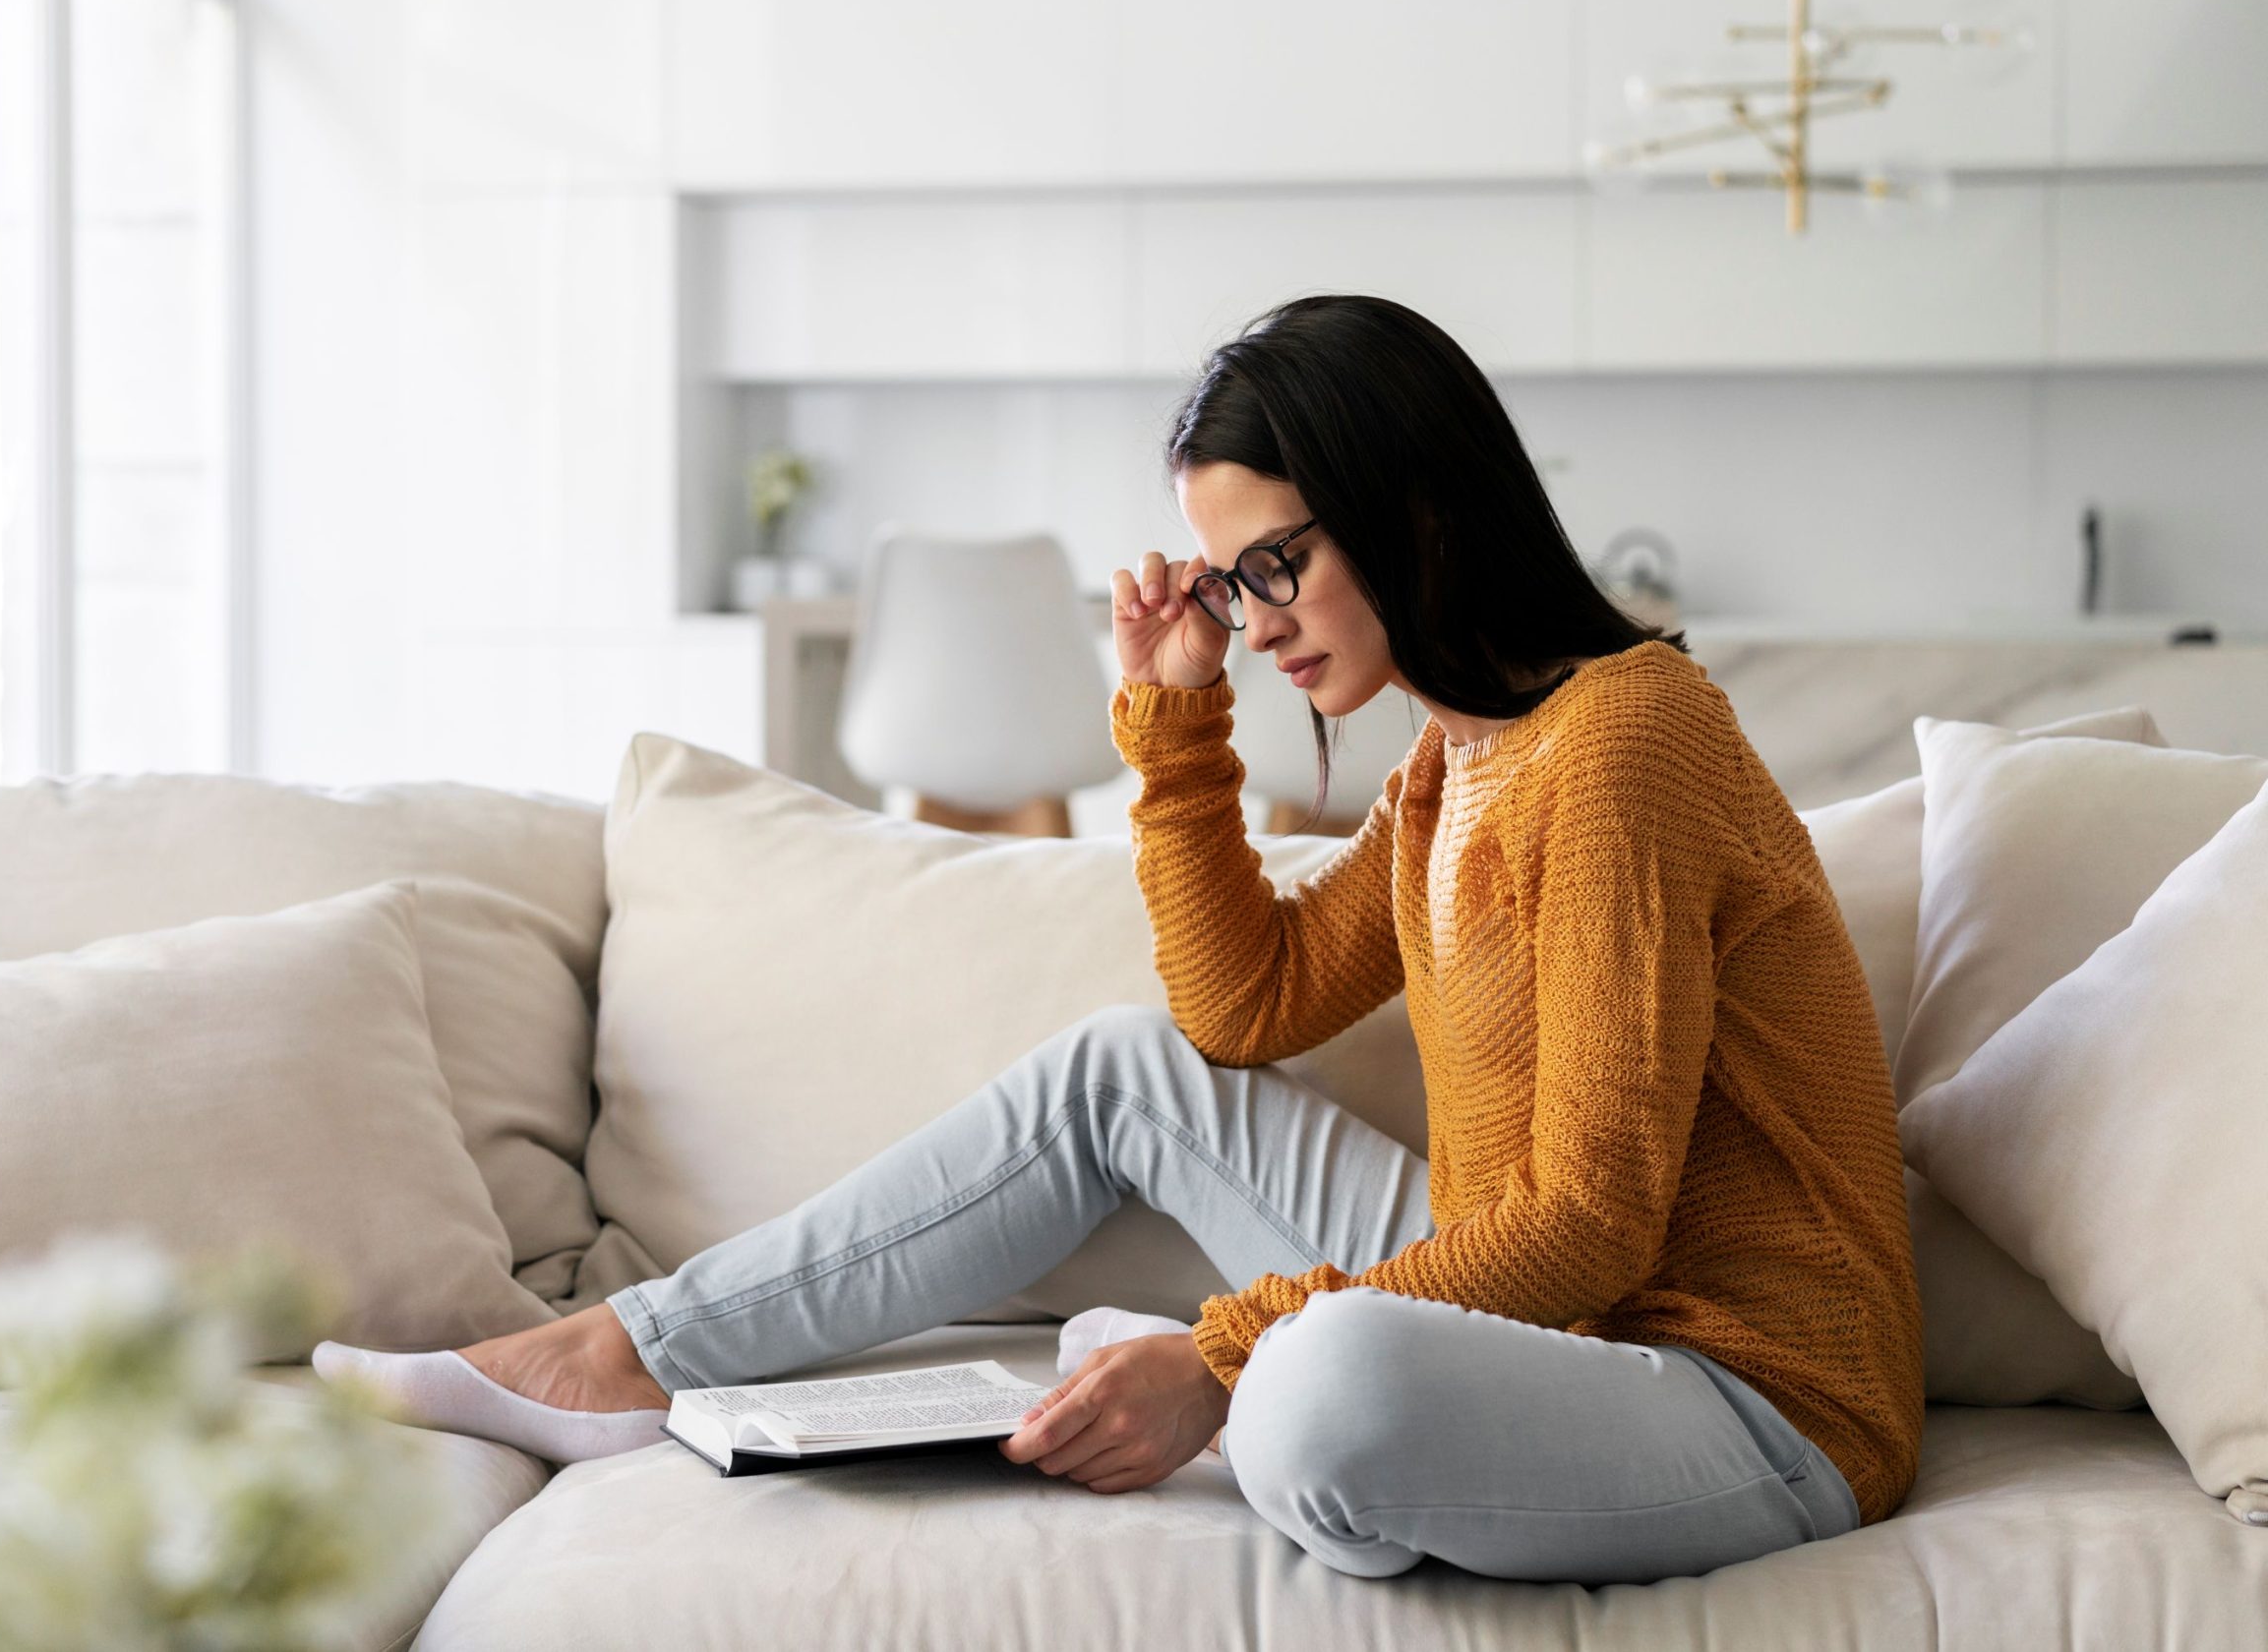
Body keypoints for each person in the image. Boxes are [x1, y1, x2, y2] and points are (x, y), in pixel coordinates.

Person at [313, 294, 1923, 1584]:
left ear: (1415, 509)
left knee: (1320, 1393)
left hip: (1746, 1396)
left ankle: (1268, 1396)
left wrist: (1225, 1360)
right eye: (1235, 584)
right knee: (1122, 1075)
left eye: (1276, 564)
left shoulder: (1628, 738)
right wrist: (1176, 712)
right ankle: (627, 1353)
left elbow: (1593, 1224)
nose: (1261, 614)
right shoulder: (1453, 767)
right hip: (1549, 1322)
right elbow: (1243, 1007)